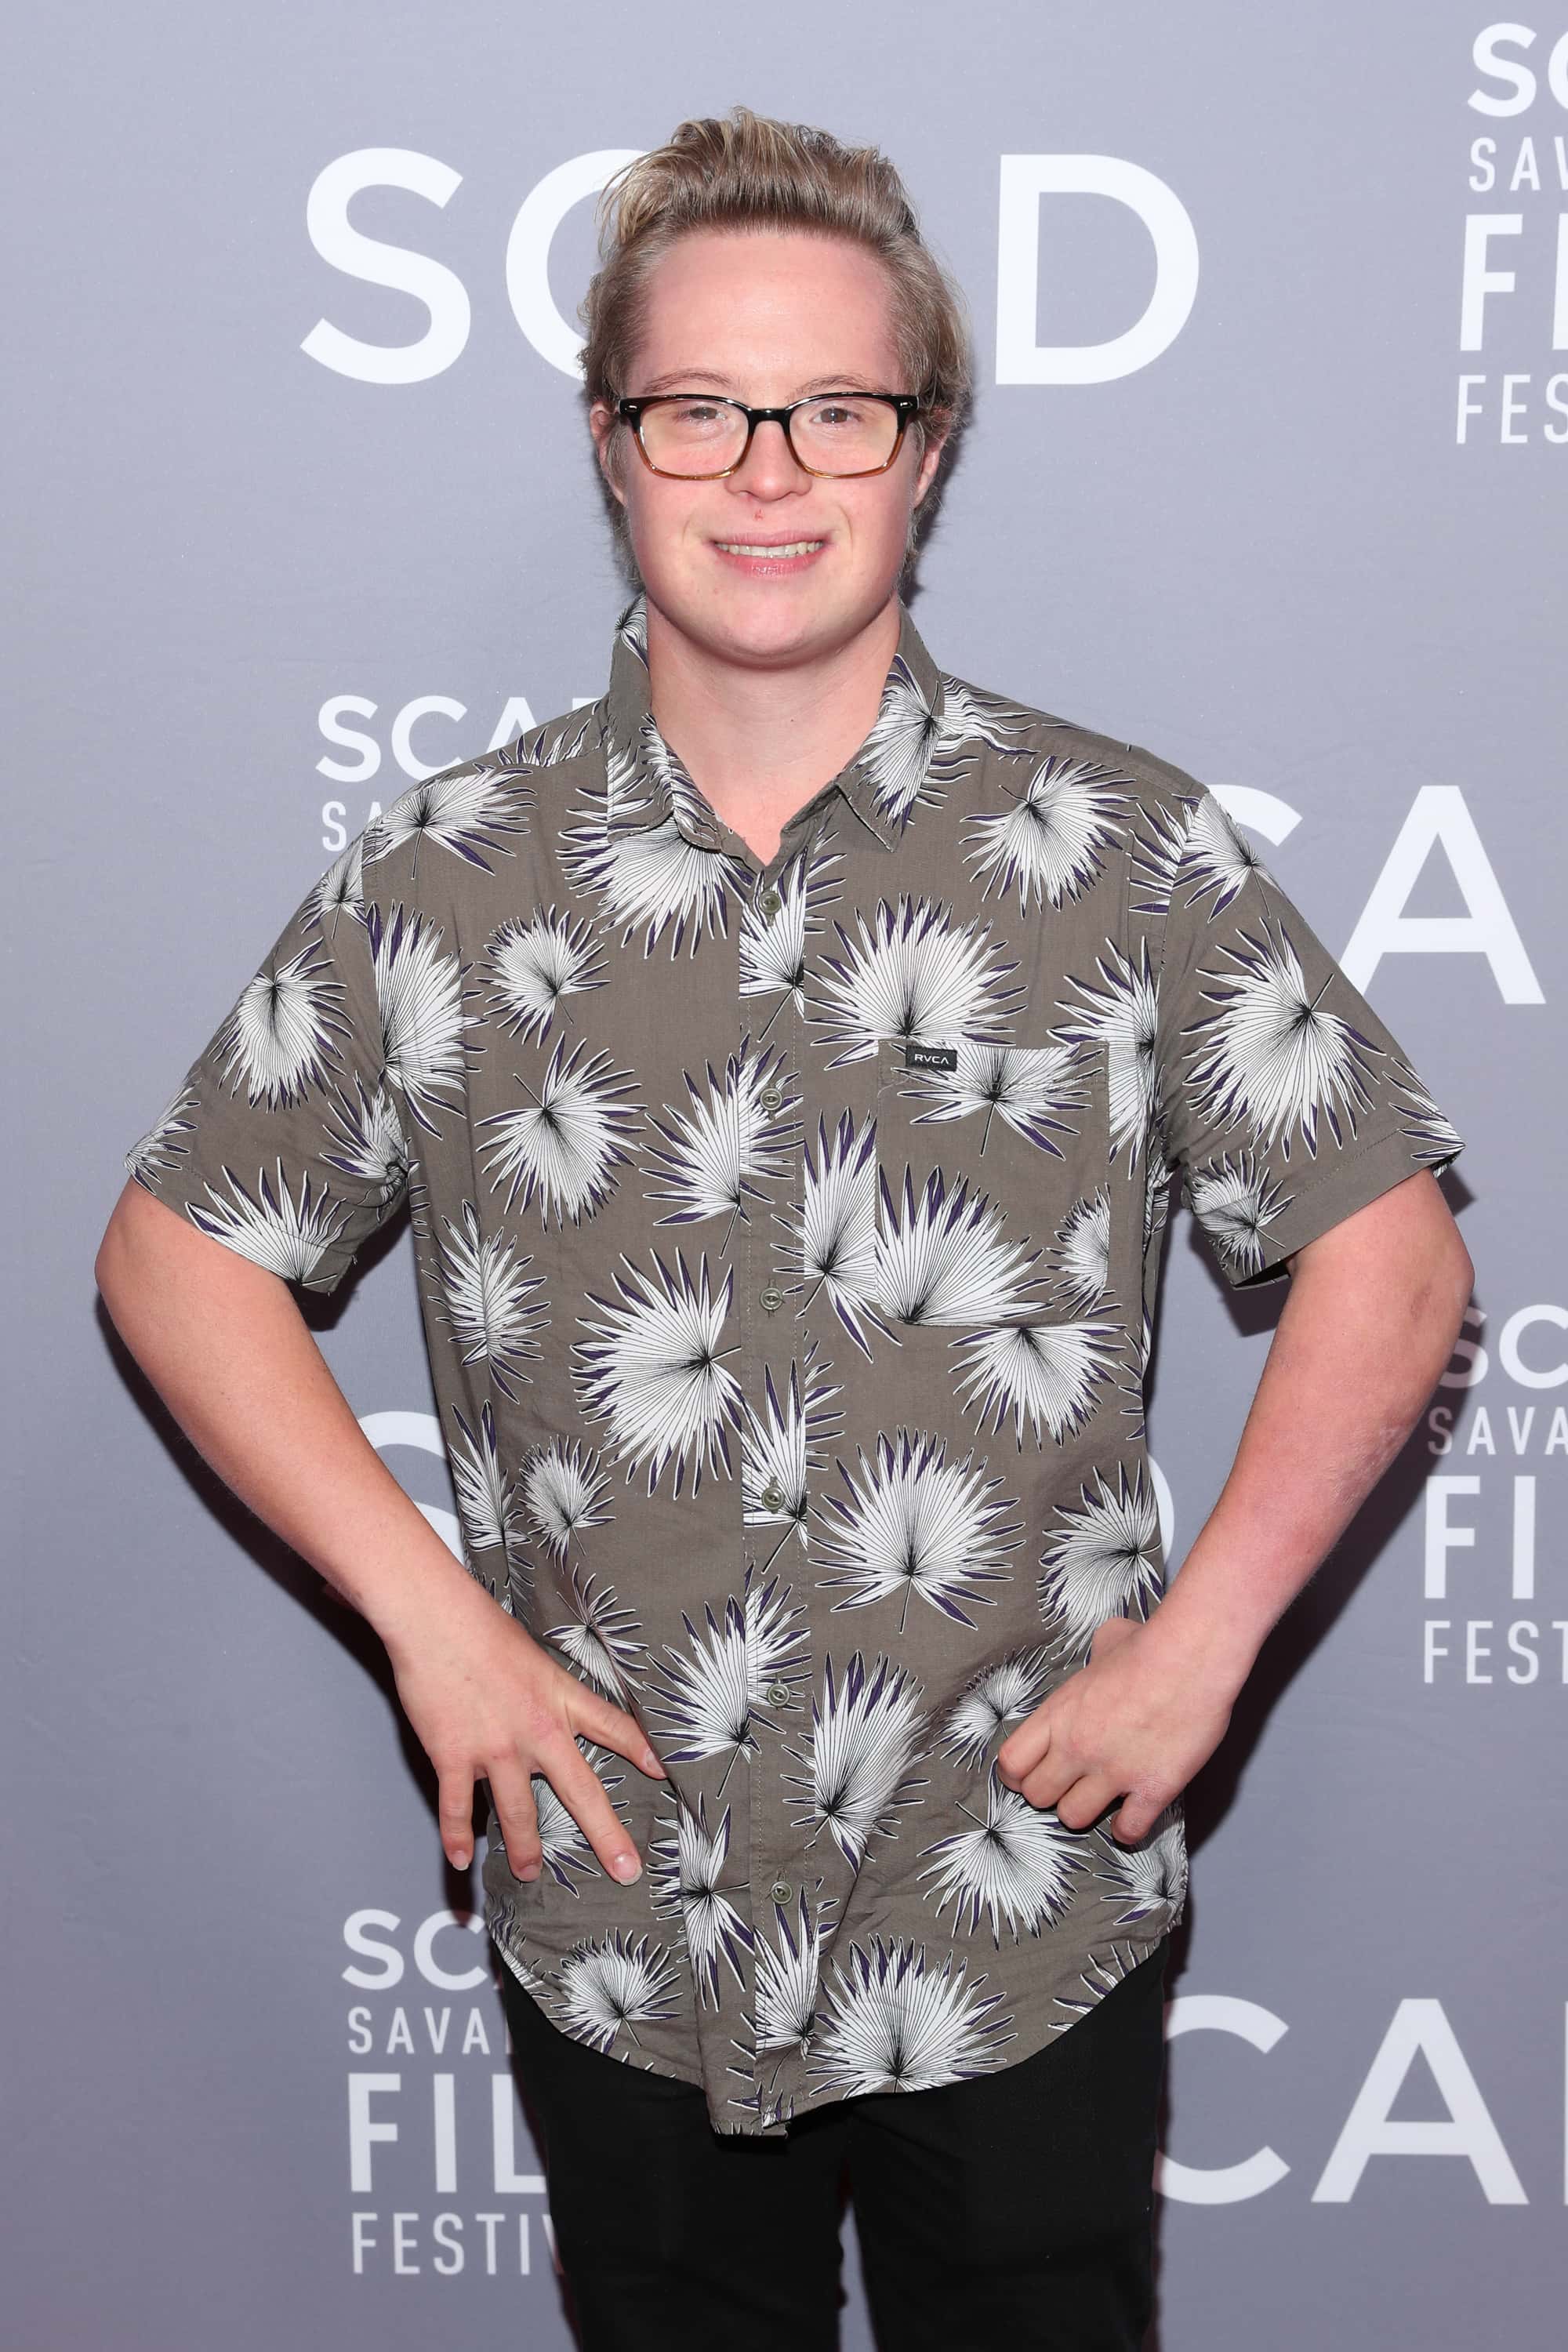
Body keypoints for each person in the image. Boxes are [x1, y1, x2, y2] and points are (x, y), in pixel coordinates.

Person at [96, 105, 1472, 2352]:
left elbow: (1391, 1254)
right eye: (700, 410)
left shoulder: (1122, 849)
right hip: (619, 1897)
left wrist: (1204, 1646)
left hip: (1016, 1895)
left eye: (837, 408)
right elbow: (178, 1254)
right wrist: (434, 1630)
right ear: (611, 444)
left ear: (925, 451)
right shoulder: (448, 873)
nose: (767, 470)